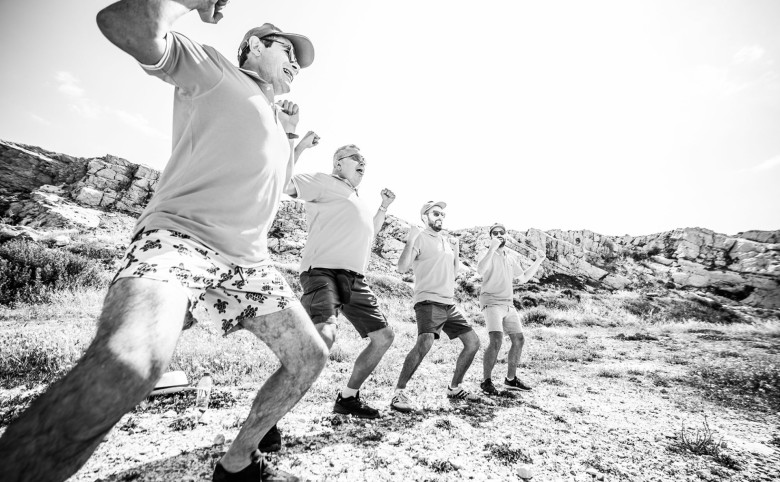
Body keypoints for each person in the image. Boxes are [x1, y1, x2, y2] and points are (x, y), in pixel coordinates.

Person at [0, 2, 327, 481]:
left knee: (310, 358)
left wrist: (292, 137)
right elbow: (121, 24)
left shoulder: (276, 121)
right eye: (286, 48)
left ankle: (238, 462)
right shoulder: (215, 70)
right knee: (132, 362)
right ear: (254, 46)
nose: (296, 60)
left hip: (249, 263)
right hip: (181, 240)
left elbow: (272, 186)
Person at [283, 144, 396, 420]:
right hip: (323, 271)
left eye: (365, 160)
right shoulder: (324, 182)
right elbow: (284, 183)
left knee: (383, 337)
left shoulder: (354, 197)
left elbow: (371, 229)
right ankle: (272, 415)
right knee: (324, 336)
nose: (363, 162)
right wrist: (294, 143)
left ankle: (348, 398)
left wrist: (383, 206)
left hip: (354, 278)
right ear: (338, 163)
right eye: (356, 157)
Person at [390, 201, 481, 413]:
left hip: (449, 303)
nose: (440, 216)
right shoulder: (420, 237)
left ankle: (454, 388)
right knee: (425, 343)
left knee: (473, 343)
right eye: (435, 213)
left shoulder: (445, 241)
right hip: (428, 300)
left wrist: (456, 250)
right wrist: (410, 240)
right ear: (425, 216)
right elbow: (402, 268)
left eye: (442, 214)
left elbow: (455, 271)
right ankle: (398, 392)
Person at [476, 223, 546, 395]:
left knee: (519, 340)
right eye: (495, 233)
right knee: (496, 340)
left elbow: (523, 278)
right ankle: (486, 381)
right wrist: (491, 249)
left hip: (508, 304)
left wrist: (539, 260)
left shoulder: (510, 257)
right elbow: (480, 270)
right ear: (491, 237)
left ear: (506, 236)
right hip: (492, 302)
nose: (499, 235)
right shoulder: (486, 254)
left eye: (502, 232)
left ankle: (510, 380)